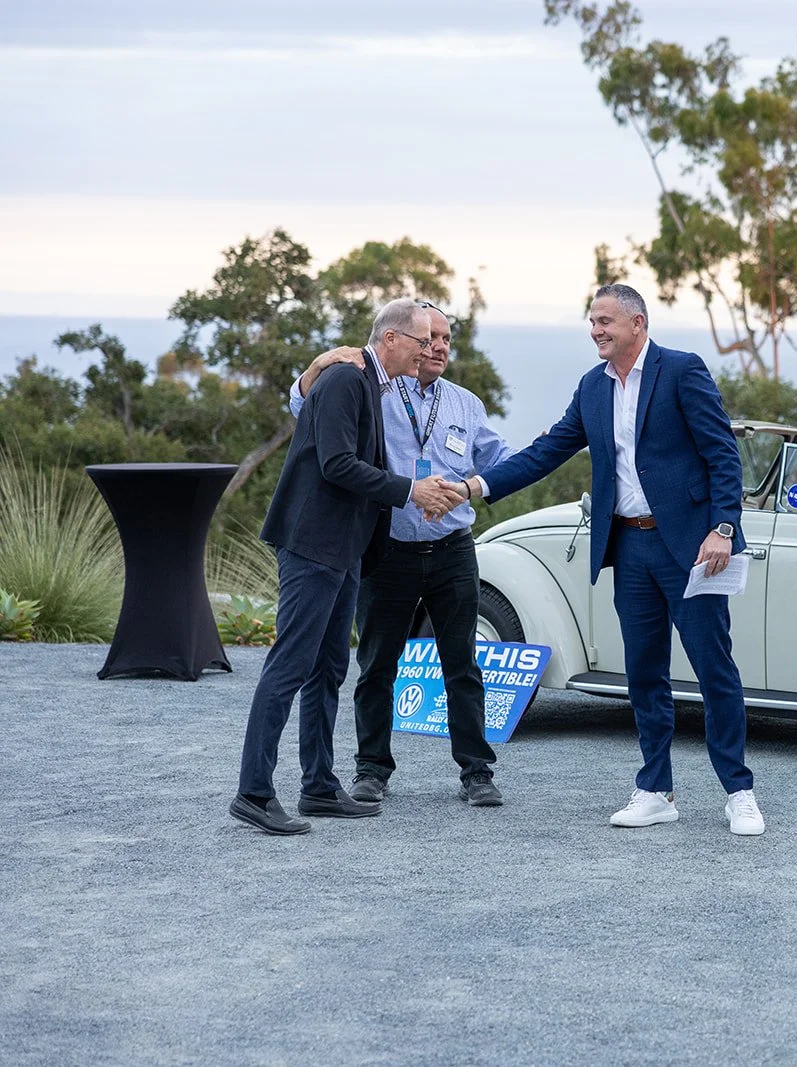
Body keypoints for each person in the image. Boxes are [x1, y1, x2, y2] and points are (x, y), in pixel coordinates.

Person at [456, 284, 765, 835]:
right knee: (643, 672)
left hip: (694, 548)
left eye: (605, 321)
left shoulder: (682, 370)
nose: (596, 331)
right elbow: (547, 451)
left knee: (714, 667)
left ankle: (739, 791)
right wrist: (475, 485)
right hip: (630, 546)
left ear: (637, 323)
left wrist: (723, 528)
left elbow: (723, 455)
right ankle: (655, 790)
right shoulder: (592, 387)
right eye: (592, 322)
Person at [231, 299, 463, 835]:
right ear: (390, 339)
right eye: (422, 340)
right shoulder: (345, 380)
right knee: (290, 665)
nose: (429, 350)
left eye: (435, 341)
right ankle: (253, 792)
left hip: (343, 549)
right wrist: (410, 490)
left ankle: (318, 787)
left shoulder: (371, 384)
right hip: (314, 545)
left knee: (329, 667)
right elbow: (336, 464)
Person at [290, 301, 513, 808]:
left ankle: (477, 772)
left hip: (453, 550)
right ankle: (371, 770)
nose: (438, 346)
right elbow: (303, 409)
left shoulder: (466, 404)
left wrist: (538, 453)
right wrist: (317, 366)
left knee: (462, 665)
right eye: (429, 337)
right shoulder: (375, 388)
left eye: (446, 339)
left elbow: (500, 460)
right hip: (388, 551)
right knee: (376, 666)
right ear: (405, 340)